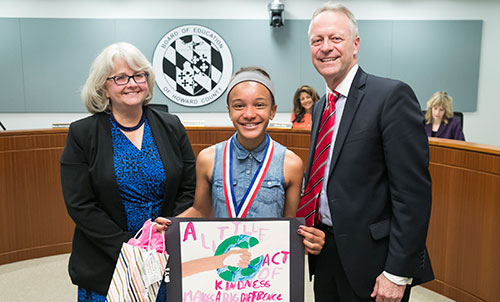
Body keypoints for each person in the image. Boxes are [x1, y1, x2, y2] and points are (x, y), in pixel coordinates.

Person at [297, 3, 434, 302]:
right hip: (328, 254)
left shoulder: (390, 96)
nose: (325, 48)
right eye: (317, 40)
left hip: (375, 264)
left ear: (356, 44)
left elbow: (412, 194)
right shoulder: (322, 106)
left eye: (336, 38)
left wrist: (397, 273)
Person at [60, 42, 196, 301]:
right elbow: (80, 204)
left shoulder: (171, 125)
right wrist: (130, 247)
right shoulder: (82, 134)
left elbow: (190, 187)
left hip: (164, 253)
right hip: (107, 260)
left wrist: (165, 231)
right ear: (103, 86)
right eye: (120, 77)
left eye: (138, 75)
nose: (132, 83)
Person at [172, 66, 325, 255]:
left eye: (260, 105)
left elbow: (290, 224)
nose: (249, 114)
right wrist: (168, 228)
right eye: (239, 106)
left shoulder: (290, 163)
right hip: (222, 265)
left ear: (273, 111)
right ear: (229, 111)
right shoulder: (208, 158)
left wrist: (311, 240)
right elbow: (201, 211)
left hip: (269, 266)